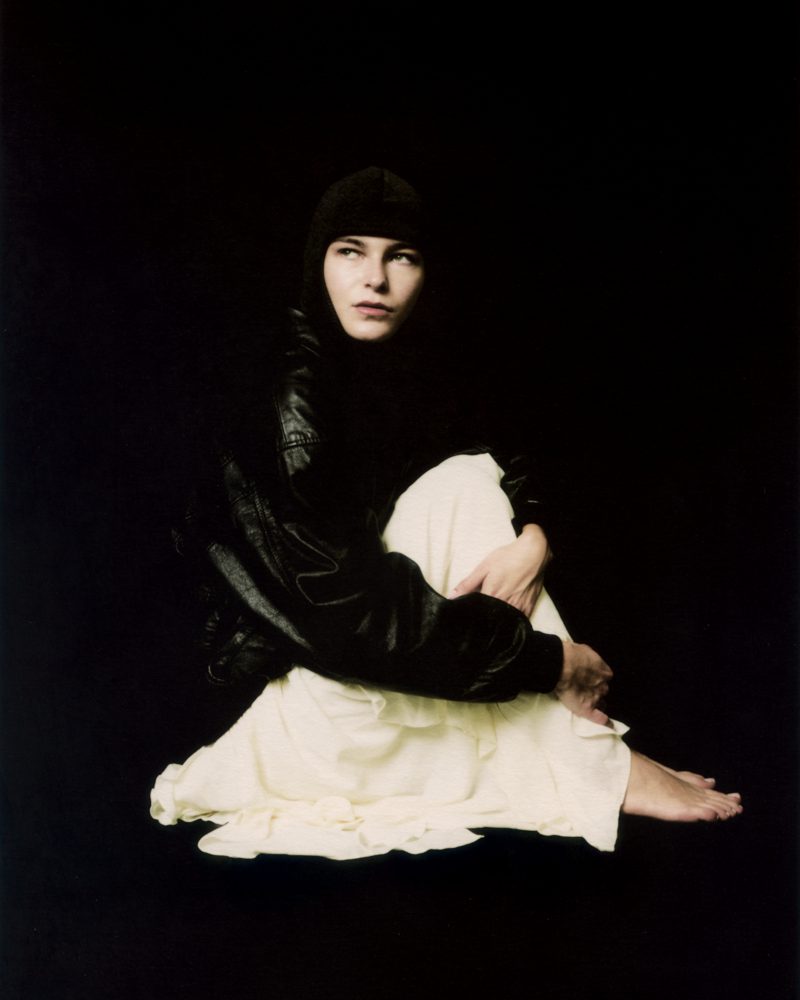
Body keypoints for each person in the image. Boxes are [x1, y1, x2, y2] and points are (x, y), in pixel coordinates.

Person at [150, 167, 742, 860]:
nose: (375, 279)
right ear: (317, 262)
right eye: (350, 251)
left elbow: (503, 452)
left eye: (400, 256)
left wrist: (535, 537)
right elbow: (343, 618)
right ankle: (593, 760)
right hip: (293, 680)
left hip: (362, 655)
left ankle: (588, 756)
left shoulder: (389, 364)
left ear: (425, 272)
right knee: (461, 490)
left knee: (464, 479)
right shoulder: (291, 402)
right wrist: (548, 661)